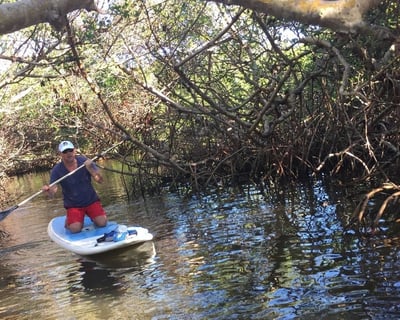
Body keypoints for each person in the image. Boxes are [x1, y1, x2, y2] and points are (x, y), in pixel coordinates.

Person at [42, 140, 108, 233]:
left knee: (102, 223)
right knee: (75, 229)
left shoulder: (85, 162)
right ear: (60, 154)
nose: (69, 153)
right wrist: (48, 191)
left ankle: (92, 216)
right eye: (65, 152)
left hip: (91, 201)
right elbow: (53, 192)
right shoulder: (56, 170)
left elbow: (100, 180)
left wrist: (90, 168)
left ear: (75, 151)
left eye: (70, 150)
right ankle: (69, 221)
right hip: (73, 205)